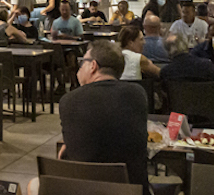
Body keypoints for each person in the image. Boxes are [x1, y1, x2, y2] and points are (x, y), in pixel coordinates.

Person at [57, 40, 151, 195]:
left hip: (83, 190)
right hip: (131, 190)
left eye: (82, 63)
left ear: (93, 66)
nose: (79, 69)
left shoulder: (69, 101)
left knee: (33, 185)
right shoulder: (138, 95)